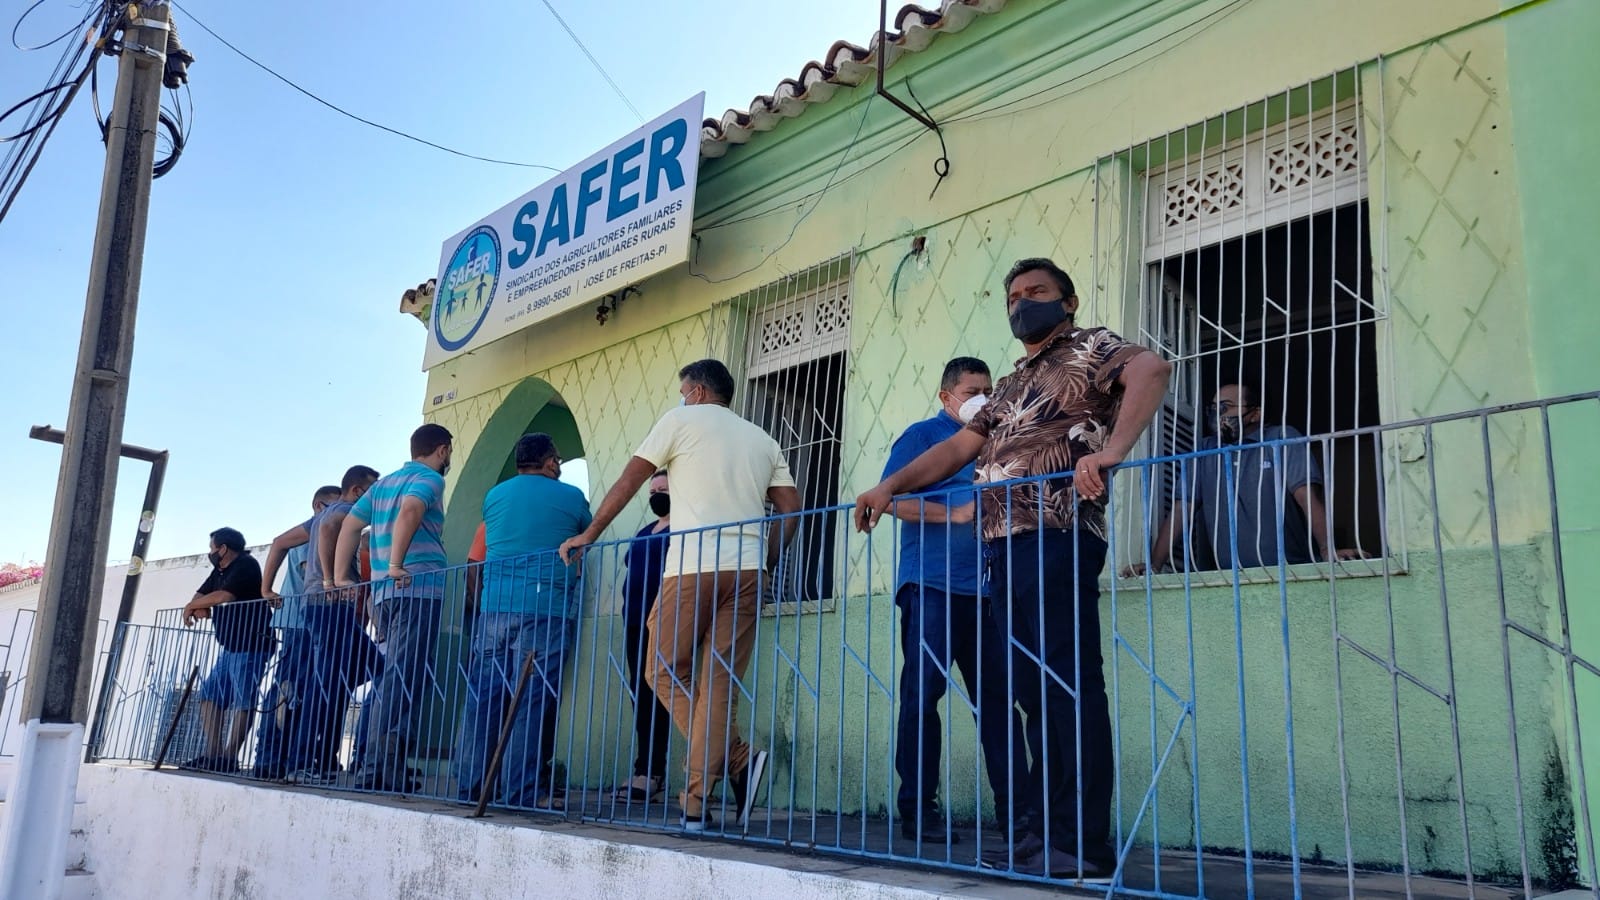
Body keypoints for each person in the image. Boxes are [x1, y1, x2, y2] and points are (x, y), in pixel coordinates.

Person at [854, 258, 1172, 880]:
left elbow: (1152, 371)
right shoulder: (1009, 384)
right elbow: (956, 449)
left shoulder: (1090, 346)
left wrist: (1110, 452)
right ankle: (1042, 837)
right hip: (1001, 550)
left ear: (1068, 301)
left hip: (1057, 534)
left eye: (1037, 292)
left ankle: (1081, 845)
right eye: (1013, 297)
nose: (1023, 303)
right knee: (1030, 694)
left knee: (1067, 685)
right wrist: (888, 487)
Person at [560, 359, 802, 832]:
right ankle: (702, 796)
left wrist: (589, 534)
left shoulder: (679, 422)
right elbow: (791, 508)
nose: (681, 398)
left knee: (660, 669)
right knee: (718, 685)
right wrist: (767, 560)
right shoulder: (762, 439)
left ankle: (733, 764)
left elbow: (629, 481)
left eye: (682, 391)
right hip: (748, 572)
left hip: (692, 566)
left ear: (697, 392)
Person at [881, 357, 1029, 845]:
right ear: (946, 397)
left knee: (998, 704)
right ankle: (918, 811)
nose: (982, 398)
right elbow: (888, 499)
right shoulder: (923, 436)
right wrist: (955, 512)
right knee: (922, 698)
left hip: (986, 591)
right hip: (932, 587)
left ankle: (1018, 818)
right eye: (971, 391)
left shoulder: (995, 438)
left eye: (988, 389)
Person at [455, 433, 592, 808]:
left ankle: (470, 787)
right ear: (550, 462)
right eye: (557, 461)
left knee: (484, 698)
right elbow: (587, 536)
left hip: (493, 609)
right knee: (530, 702)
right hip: (545, 608)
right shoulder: (572, 496)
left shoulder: (494, 496)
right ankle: (521, 793)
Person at [332, 424, 453, 792]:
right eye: (449, 452)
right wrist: (398, 564)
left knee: (399, 677)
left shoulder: (383, 485)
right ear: (442, 450)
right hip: (417, 589)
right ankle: (373, 770)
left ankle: (387, 768)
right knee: (402, 679)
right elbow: (412, 509)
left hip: (385, 594)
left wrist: (339, 576)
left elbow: (350, 525)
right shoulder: (429, 479)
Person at [1127, 384, 1361, 574]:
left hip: (1290, 571)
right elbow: (1181, 511)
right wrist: (1154, 565)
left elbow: (1306, 497)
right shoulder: (1205, 451)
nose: (1218, 414)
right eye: (1213, 408)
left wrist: (1328, 549)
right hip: (1229, 576)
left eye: (1226, 407)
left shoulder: (1281, 438)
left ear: (1255, 413)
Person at [296, 465, 381, 781]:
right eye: (372, 492)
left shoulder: (333, 512)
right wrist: (333, 580)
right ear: (358, 491)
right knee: (326, 684)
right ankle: (305, 761)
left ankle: (323, 758)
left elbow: (282, 541)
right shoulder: (344, 511)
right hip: (328, 605)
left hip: (327, 606)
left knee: (343, 679)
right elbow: (329, 529)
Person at [253, 485, 341, 778]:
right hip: (301, 623)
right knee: (288, 689)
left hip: (304, 621)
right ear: (319, 506)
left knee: (296, 690)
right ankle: (270, 758)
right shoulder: (314, 531)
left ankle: (279, 759)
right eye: (334, 506)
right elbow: (308, 571)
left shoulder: (316, 530)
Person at [181, 528, 272, 773]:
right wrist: (197, 605)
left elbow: (224, 596)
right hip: (231, 646)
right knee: (209, 696)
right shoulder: (219, 570)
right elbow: (203, 593)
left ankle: (230, 757)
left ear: (223, 549)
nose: (210, 553)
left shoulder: (245, 565)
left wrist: (191, 606)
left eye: (212, 548)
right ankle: (214, 754)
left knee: (244, 700)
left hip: (251, 645)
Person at [611, 470, 673, 805]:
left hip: (665, 623)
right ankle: (645, 767)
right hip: (635, 623)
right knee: (640, 694)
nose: (656, 495)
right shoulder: (644, 532)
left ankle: (651, 771)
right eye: (652, 491)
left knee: (658, 695)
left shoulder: (684, 529)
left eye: (663, 489)